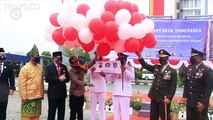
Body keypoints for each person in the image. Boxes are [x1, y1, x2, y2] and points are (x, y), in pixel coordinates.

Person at [135, 49, 177, 120]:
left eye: (162, 58)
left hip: (164, 97)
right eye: (160, 58)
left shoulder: (172, 71)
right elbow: (145, 65)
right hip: (154, 96)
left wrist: (169, 98)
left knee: (165, 117)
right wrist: (140, 56)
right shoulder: (156, 67)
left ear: (167, 59)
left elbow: (173, 86)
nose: (160, 60)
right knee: (153, 116)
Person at [182, 48, 213, 120]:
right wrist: (185, 96)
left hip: (200, 101)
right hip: (190, 101)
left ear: (199, 58)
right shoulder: (189, 68)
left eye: (193, 57)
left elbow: (209, 87)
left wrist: (203, 102)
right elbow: (186, 83)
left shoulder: (206, 70)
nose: (191, 58)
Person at [18, 47, 44, 120]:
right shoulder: (25, 68)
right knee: (26, 117)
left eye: (38, 55)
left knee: (36, 116)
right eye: (36, 56)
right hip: (28, 97)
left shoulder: (40, 68)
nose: (38, 57)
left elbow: (41, 81)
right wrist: (23, 96)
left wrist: (42, 93)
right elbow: (22, 84)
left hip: (38, 96)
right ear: (31, 57)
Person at [107, 53, 135, 120]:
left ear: (126, 59)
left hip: (125, 94)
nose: (121, 61)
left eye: (122, 59)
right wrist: (104, 76)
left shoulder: (129, 67)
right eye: (120, 59)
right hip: (116, 93)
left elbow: (132, 77)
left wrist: (125, 70)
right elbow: (111, 79)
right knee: (116, 114)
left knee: (125, 114)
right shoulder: (115, 67)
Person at [69, 55, 96, 120]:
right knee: (73, 112)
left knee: (80, 111)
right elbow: (76, 81)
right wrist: (87, 83)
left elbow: (87, 66)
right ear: (73, 65)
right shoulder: (71, 72)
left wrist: (95, 59)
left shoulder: (81, 68)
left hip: (81, 94)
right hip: (74, 94)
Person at [45, 51, 70, 120]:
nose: (60, 60)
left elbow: (68, 79)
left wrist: (65, 78)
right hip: (53, 94)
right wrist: (58, 79)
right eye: (58, 58)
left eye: (61, 58)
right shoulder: (49, 67)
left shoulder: (64, 67)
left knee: (61, 113)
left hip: (62, 94)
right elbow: (47, 79)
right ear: (54, 58)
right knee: (52, 112)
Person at [88, 52, 107, 120]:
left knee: (102, 107)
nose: (97, 56)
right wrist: (91, 71)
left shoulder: (104, 64)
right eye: (96, 55)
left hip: (102, 88)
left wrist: (104, 74)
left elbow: (107, 75)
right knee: (93, 107)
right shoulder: (91, 64)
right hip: (93, 87)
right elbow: (88, 74)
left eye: (99, 55)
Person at [0, 48, 15, 120]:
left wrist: (12, 88)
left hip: (4, 90)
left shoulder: (9, 66)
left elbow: (12, 78)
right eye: (1, 55)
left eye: (3, 55)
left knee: (3, 108)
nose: (2, 56)